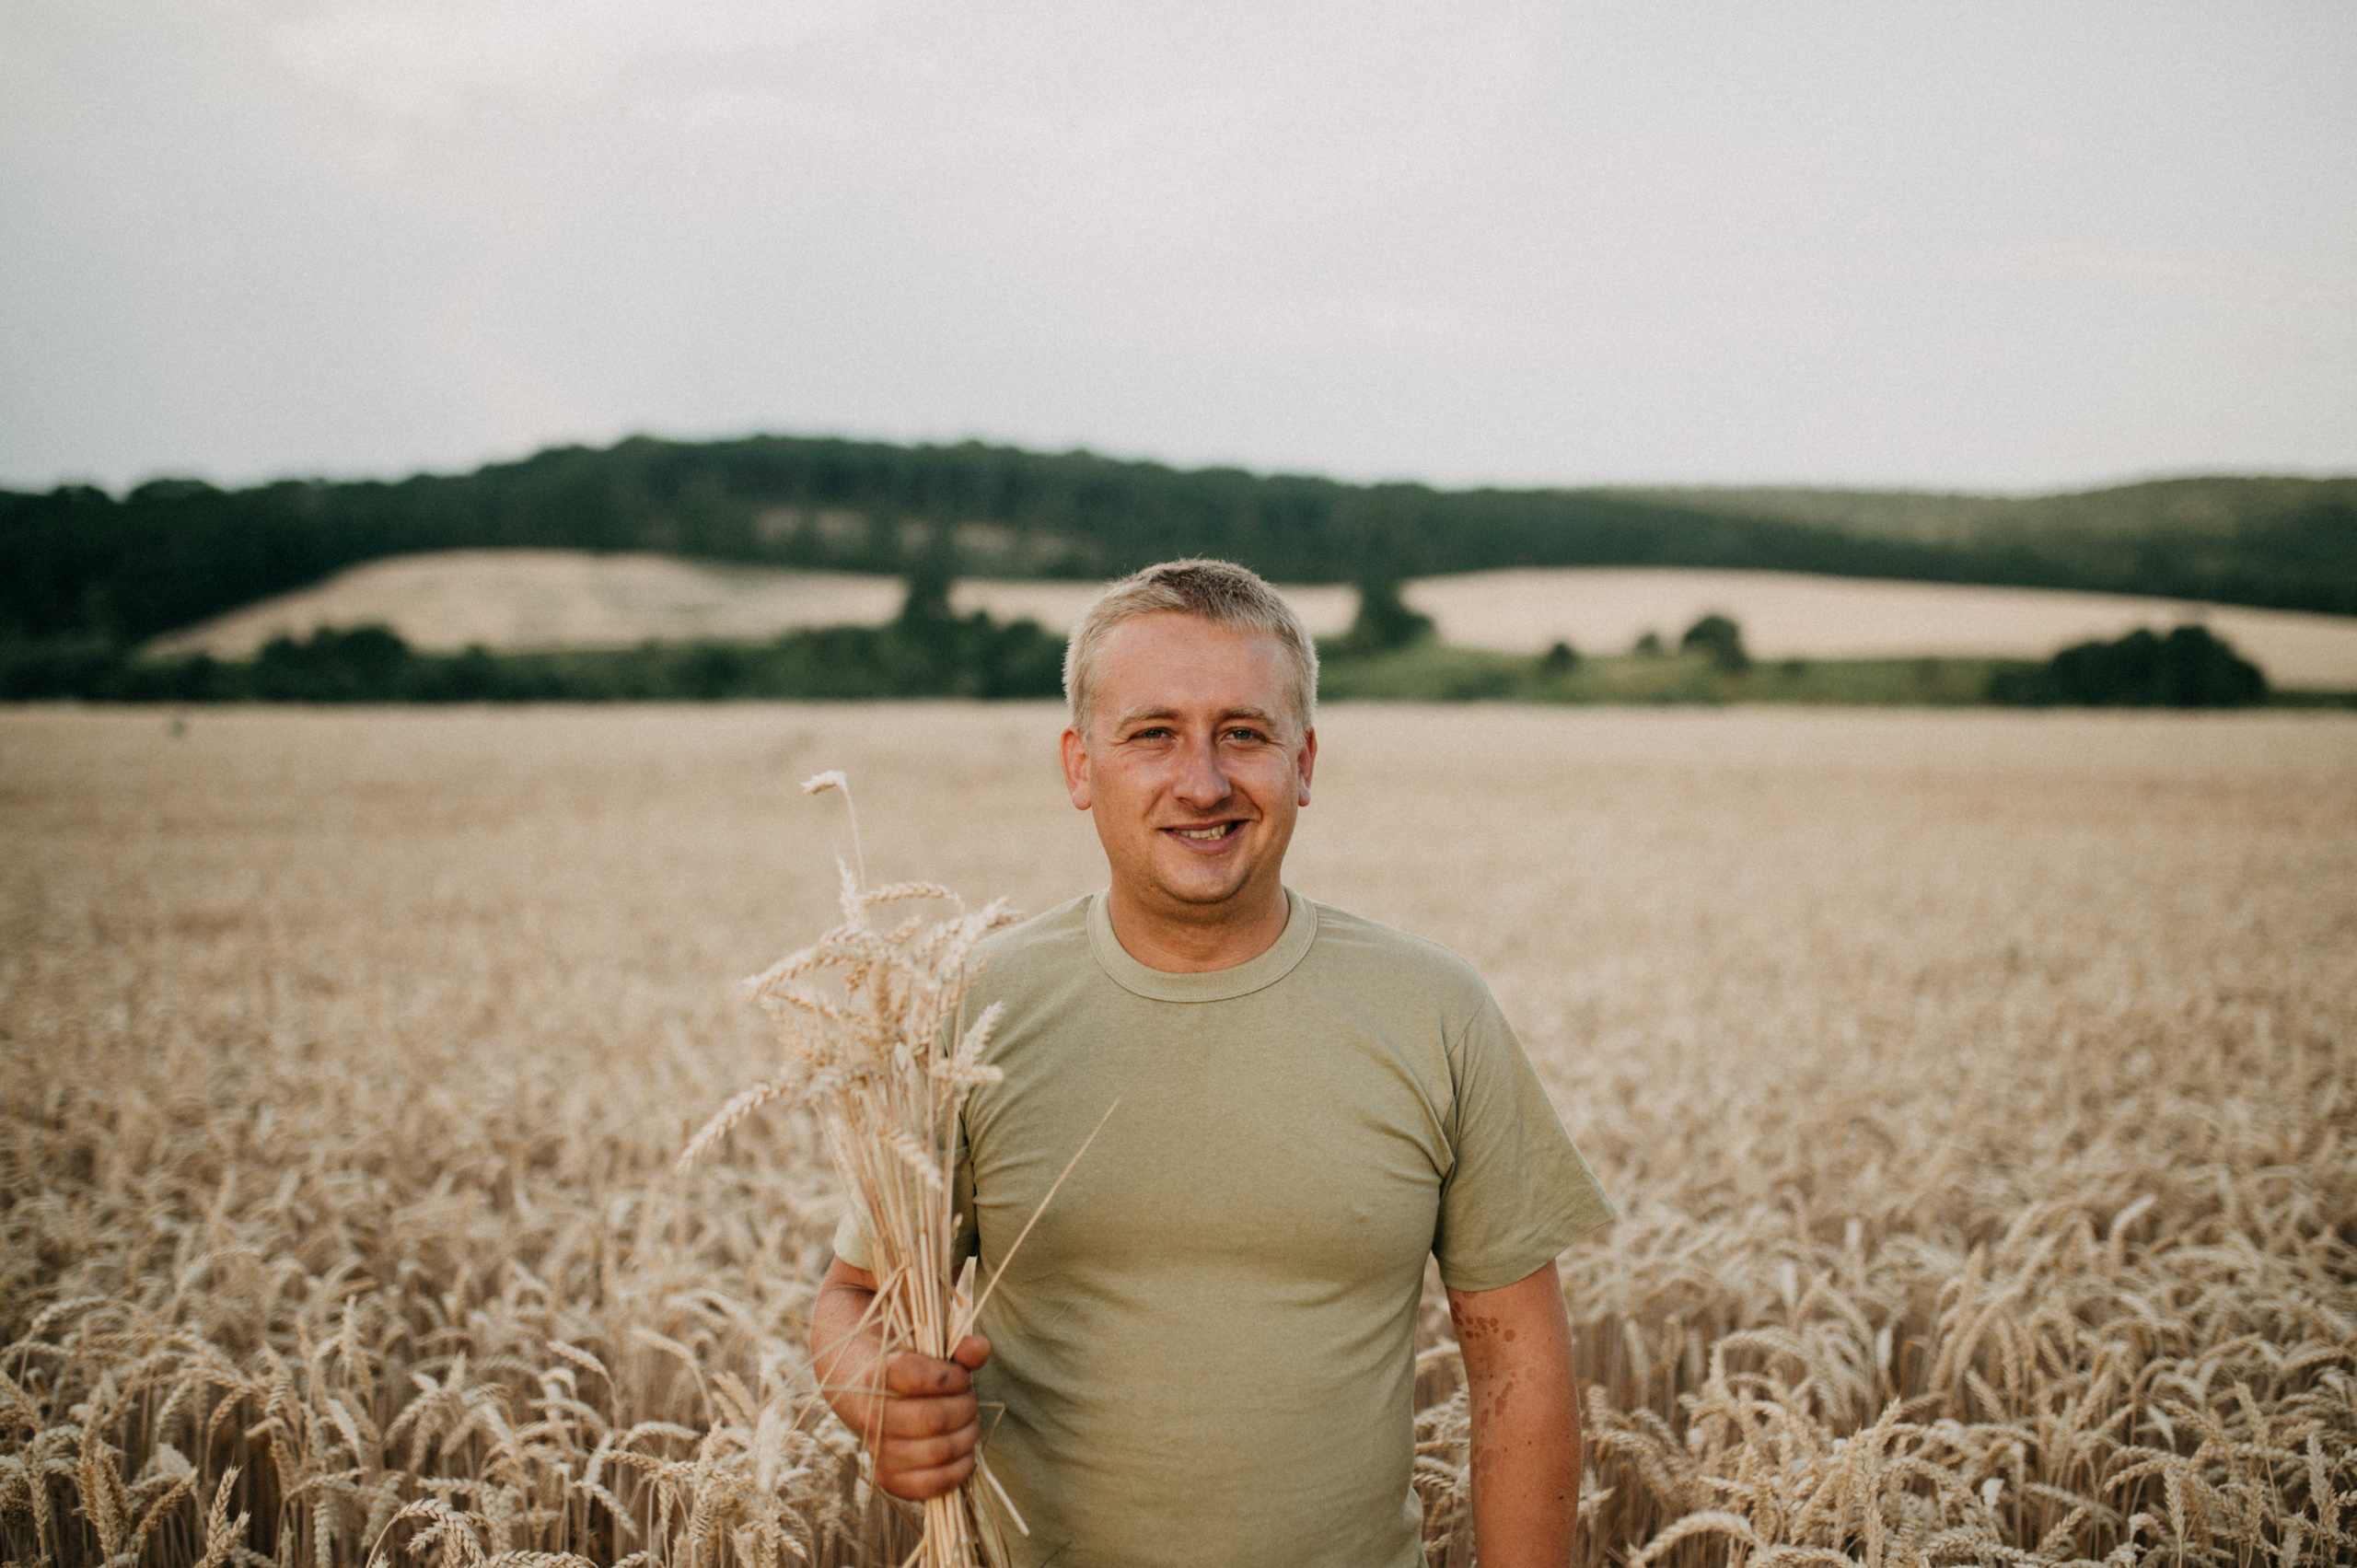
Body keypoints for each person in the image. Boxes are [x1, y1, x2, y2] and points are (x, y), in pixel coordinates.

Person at [810, 559, 1613, 1568]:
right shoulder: (972, 1009)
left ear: (1305, 761)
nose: (1203, 780)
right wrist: (874, 1392)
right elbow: (851, 1299)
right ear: (1077, 764)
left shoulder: (1435, 1009)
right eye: (1152, 733)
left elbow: (1517, 1365)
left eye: (1244, 732)